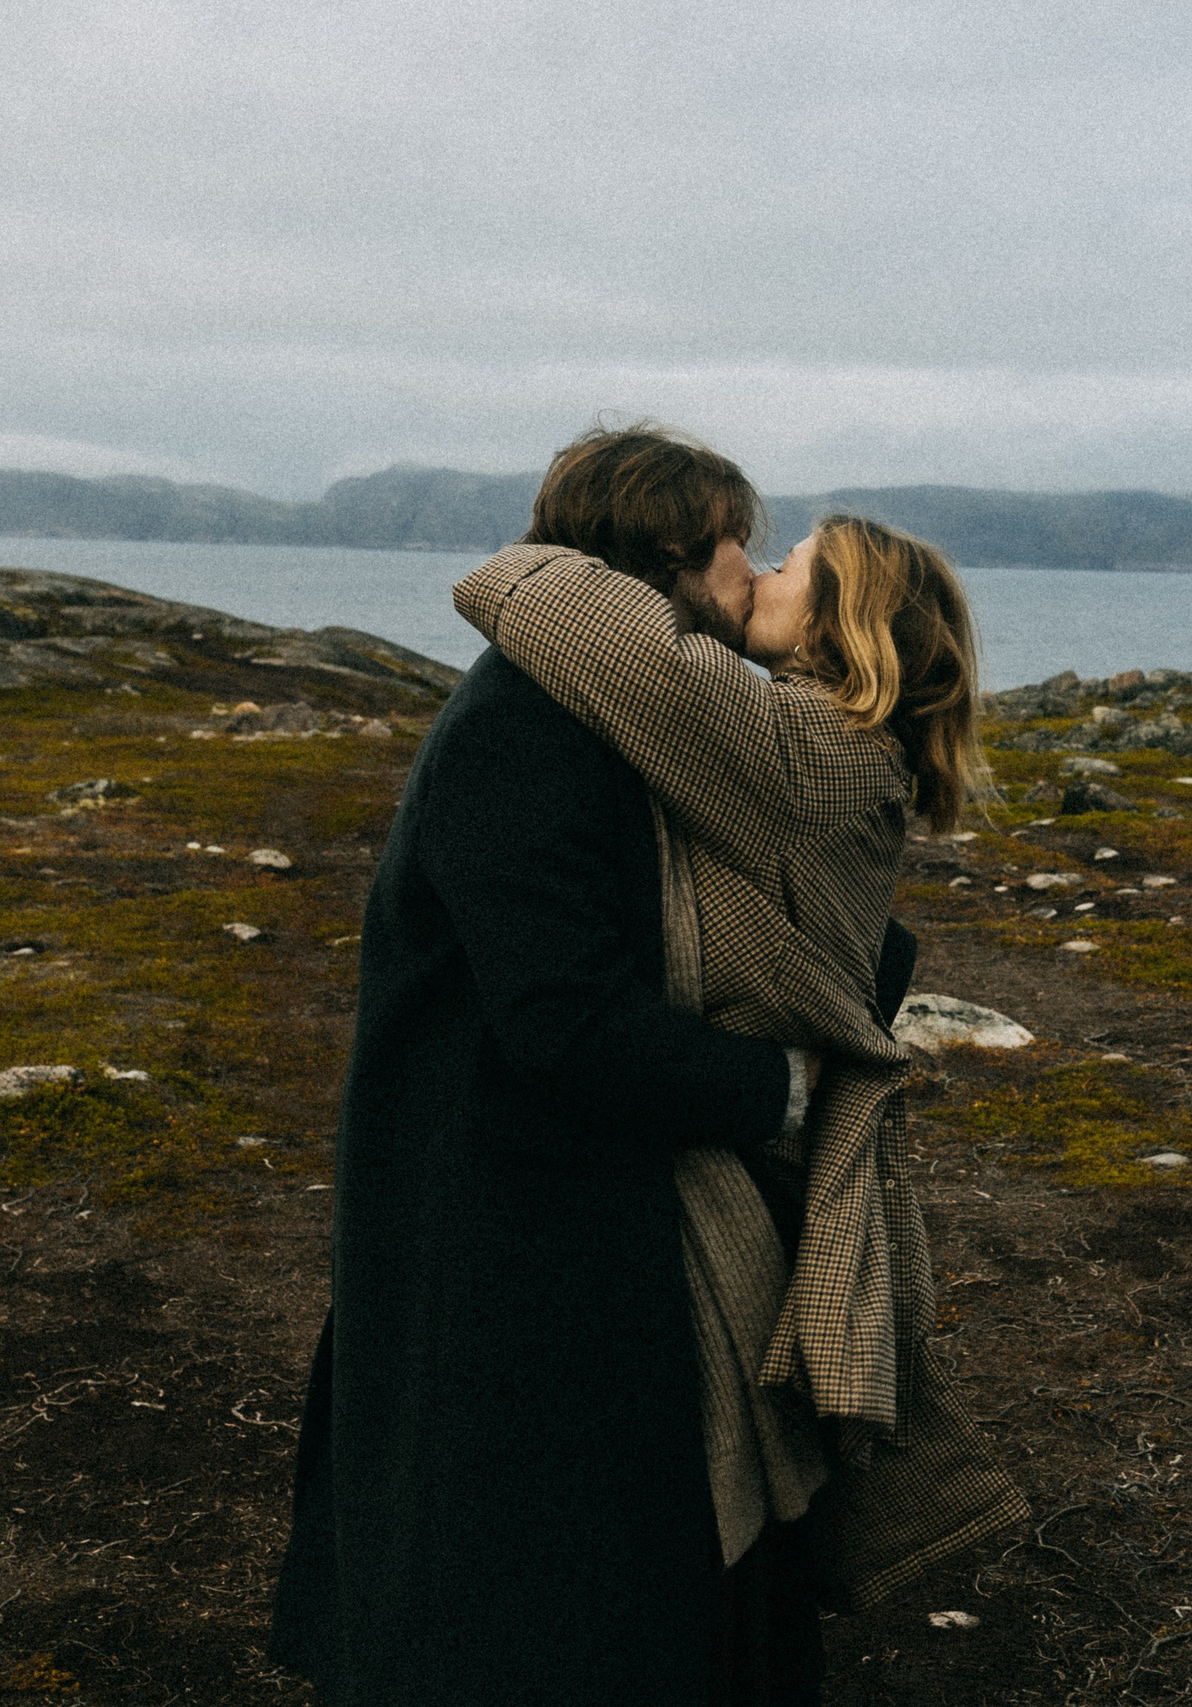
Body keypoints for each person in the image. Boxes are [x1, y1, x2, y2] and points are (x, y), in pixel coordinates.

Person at [267, 428, 841, 1703]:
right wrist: (782, 1089)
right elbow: (562, 1022)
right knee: (518, 1565)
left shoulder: (602, 709)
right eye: (742, 539)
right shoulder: (526, 725)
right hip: (501, 1209)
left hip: (547, 1198)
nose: (753, 567)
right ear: (678, 549)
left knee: (565, 1550)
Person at [454, 488, 1030, 1701]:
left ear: (837, 627)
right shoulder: (816, 754)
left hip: (744, 1135)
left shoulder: (803, 756)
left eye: (789, 566)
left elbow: (532, 599)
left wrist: (584, 546)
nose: (755, 573)